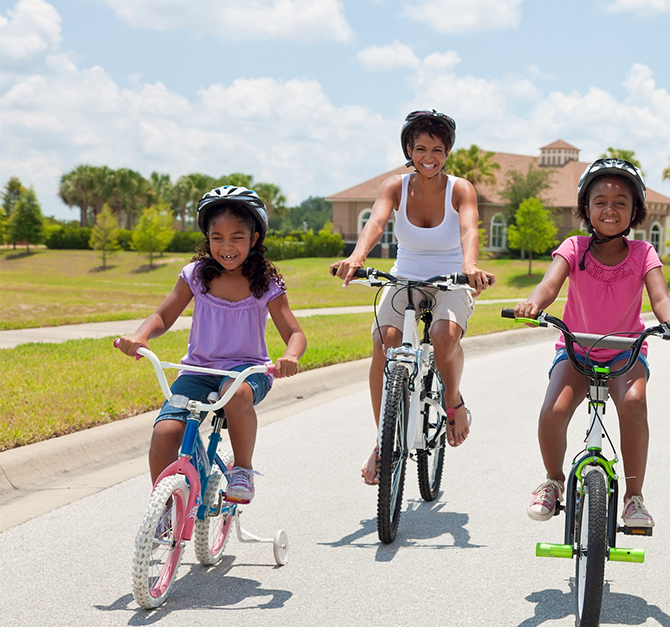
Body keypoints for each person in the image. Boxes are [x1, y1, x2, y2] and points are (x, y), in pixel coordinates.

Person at [514, 158, 670, 528]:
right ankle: (553, 480)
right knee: (554, 410)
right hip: (576, 348)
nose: (610, 209)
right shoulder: (574, 248)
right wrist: (534, 303)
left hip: (626, 353)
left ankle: (633, 498)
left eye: (620, 202)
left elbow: (660, 297)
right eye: (600, 201)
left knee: (634, 404)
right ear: (586, 208)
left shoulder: (644, 253)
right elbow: (549, 285)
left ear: (635, 211)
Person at [331, 109, 494, 486]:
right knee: (383, 343)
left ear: (447, 152)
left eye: (438, 149)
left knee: (444, 336)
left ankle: (453, 401)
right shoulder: (395, 186)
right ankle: (382, 442)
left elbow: (469, 228)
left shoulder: (460, 188)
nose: (429, 157)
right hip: (405, 275)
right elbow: (375, 222)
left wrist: (470, 265)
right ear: (409, 148)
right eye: (421, 148)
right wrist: (357, 258)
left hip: (451, 277)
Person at [116, 185, 307, 504]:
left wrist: (290, 355)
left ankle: (242, 470)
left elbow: (295, 332)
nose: (226, 246)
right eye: (217, 237)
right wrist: (141, 336)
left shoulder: (266, 284)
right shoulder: (196, 275)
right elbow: (163, 315)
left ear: (254, 239)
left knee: (236, 394)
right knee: (165, 434)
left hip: (248, 373)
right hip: (197, 372)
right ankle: (163, 511)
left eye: (237, 237)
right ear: (207, 238)